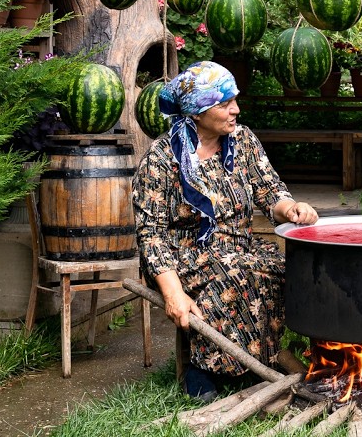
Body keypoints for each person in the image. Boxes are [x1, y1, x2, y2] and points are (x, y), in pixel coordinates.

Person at [131, 61, 319, 401]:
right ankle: (203, 368)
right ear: (198, 111)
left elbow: (269, 191)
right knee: (237, 274)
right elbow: (151, 235)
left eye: (235, 100)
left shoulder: (242, 140)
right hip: (182, 257)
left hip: (239, 247)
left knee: (286, 267)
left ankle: (258, 361)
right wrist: (173, 294)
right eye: (225, 103)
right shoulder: (161, 159)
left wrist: (290, 208)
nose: (236, 110)